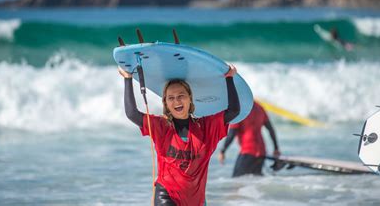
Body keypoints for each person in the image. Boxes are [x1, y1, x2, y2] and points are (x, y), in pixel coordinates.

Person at [118, 64, 240, 206]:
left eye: (181, 96)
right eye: (171, 98)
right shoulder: (161, 127)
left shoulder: (207, 127)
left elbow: (234, 110)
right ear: (166, 103)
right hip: (166, 194)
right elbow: (132, 114)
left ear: (190, 98)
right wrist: (128, 79)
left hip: (196, 200)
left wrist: (229, 78)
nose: (176, 101)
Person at [218, 101, 280, 177]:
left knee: (236, 179)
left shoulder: (240, 110)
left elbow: (232, 134)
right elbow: (271, 129)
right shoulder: (259, 107)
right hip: (261, 151)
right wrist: (276, 148)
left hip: (248, 151)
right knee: (254, 180)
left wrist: (223, 151)